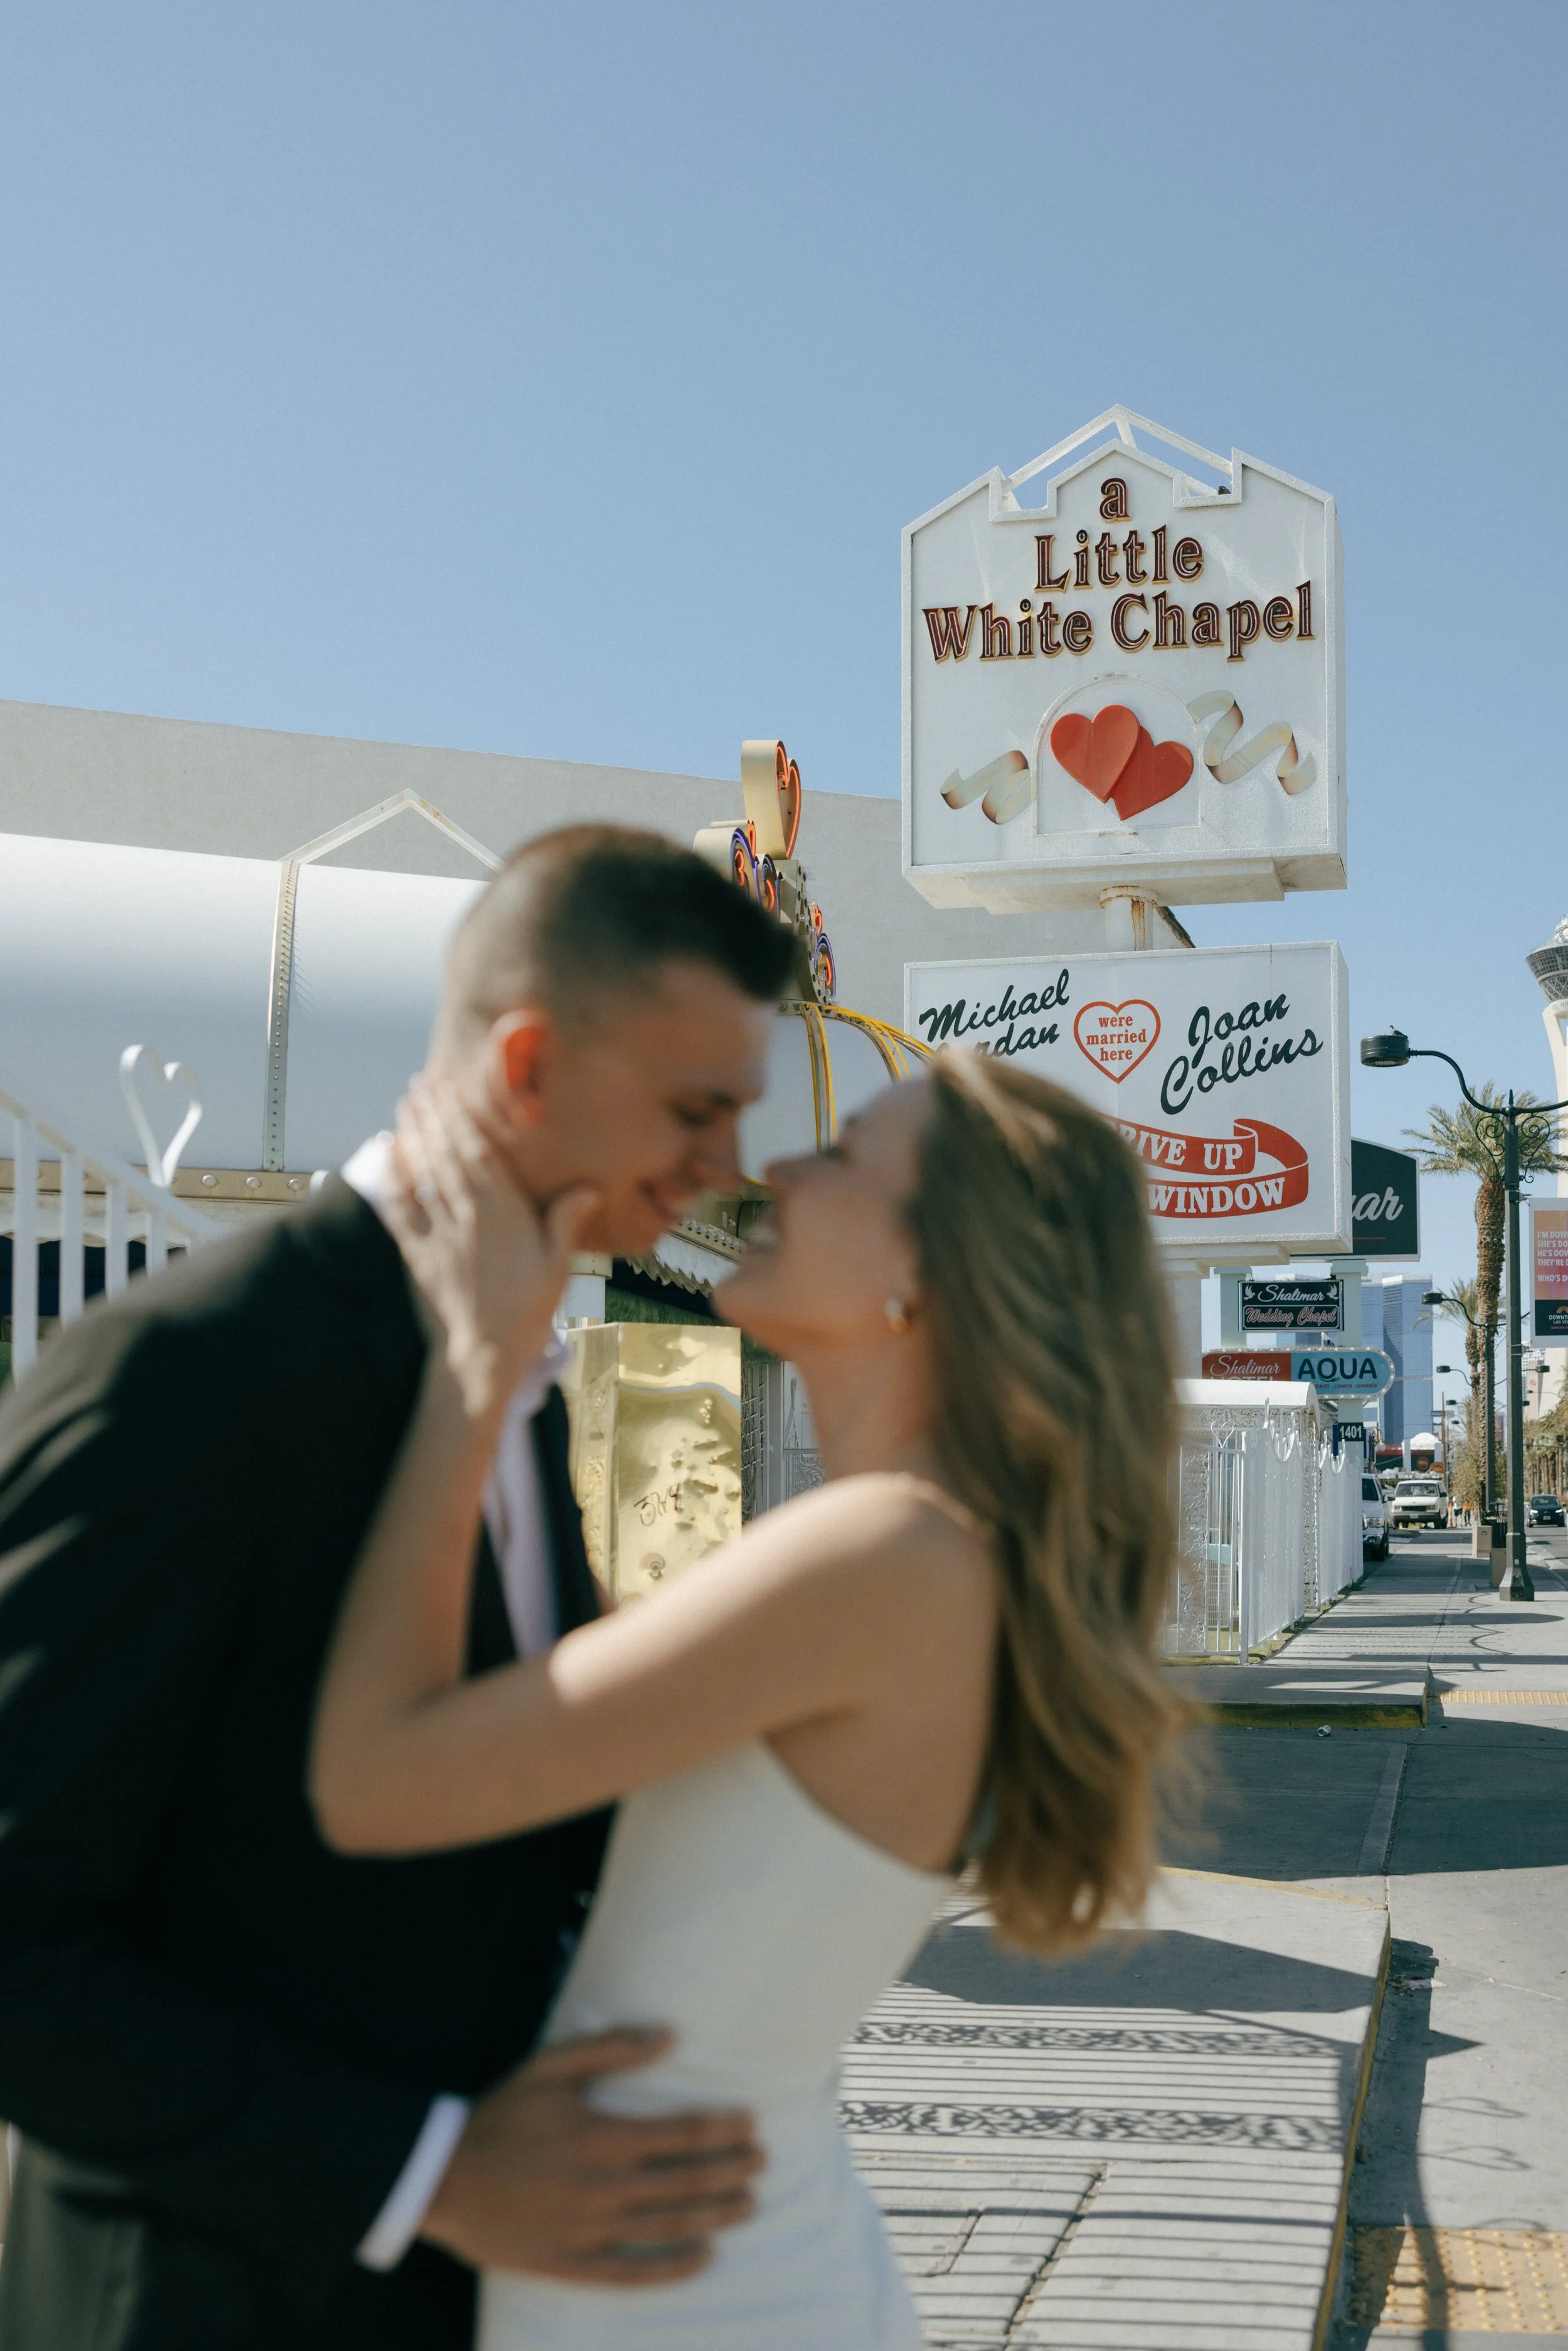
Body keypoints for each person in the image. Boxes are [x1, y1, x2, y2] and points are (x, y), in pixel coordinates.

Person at [0, 826, 800, 2351]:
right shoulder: (184, 1374)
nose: (723, 1168)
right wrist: (427, 2173)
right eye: (694, 1110)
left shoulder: (517, 1369)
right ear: (527, 1066)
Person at [309, 1047, 1185, 2349]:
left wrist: (470, 1363)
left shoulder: (884, 1554)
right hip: (711, 2253)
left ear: (925, 1272)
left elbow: (378, 1779)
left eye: (839, 1154)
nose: (778, 1168)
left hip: (678, 2285)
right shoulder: (925, 1551)